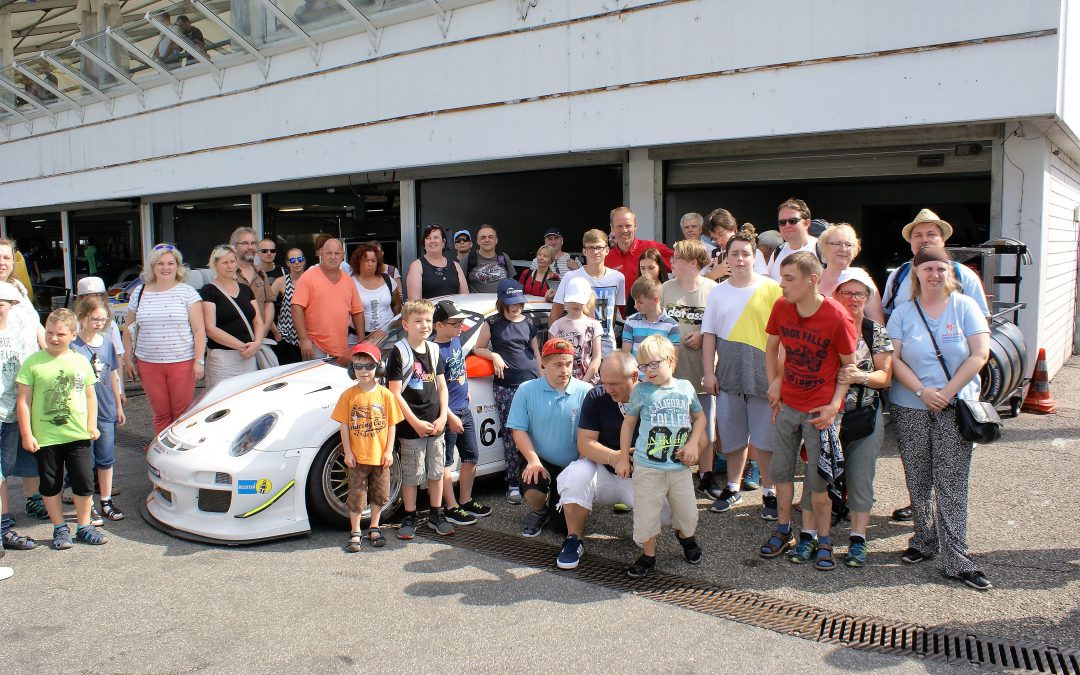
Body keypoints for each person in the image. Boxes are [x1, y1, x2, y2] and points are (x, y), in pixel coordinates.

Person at [886, 245, 991, 590]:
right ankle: (923, 539)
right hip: (911, 404)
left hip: (955, 404)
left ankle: (957, 557)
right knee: (917, 476)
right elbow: (895, 359)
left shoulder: (965, 307)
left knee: (951, 480)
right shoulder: (902, 312)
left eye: (941, 269)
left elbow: (979, 354)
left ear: (950, 273)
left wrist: (946, 392)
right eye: (927, 269)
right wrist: (921, 391)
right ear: (916, 273)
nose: (934, 275)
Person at [880, 208, 990, 523]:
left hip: (955, 392)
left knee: (949, 469)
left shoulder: (963, 277)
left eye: (931, 234)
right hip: (911, 390)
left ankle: (948, 530)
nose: (924, 239)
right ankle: (921, 515)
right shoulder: (899, 275)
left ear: (942, 239)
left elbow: (980, 338)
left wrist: (948, 390)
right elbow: (890, 323)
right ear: (911, 242)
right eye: (918, 235)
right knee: (916, 463)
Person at [758, 252, 857, 571]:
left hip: (820, 412)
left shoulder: (837, 316)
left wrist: (833, 406)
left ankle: (822, 539)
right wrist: (773, 382)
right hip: (786, 406)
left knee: (818, 482)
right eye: (781, 278)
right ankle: (784, 531)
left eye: (789, 279)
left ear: (812, 280)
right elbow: (771, 347)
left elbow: (849, 367)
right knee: (781, 473)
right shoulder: (781, 307)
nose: (781, 286)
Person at [701, 225, 783, 516]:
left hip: (765, 377)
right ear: (726, 257)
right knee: (734, 437)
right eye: (733, 253)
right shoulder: (717, 292)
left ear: (753, 257)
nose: (739, 259)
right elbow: (708, 334)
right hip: (729, 375)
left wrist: (779, 377)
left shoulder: (772, 288)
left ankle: (769, 492)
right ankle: (733, 486)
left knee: (765, 439)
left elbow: (783, 337)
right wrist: (709, 373)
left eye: (745, 253)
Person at [821, 267, 893, 567]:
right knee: (822, 476)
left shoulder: (874, 331)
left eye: (859, 294)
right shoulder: (823, 327)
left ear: (868, 297)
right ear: (835, 295)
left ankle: (858, 539)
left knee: (861, 478)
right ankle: (819, 536)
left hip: (863, 413)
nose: (853, 299)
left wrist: (859, 376)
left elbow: (885, 376)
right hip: (827, 415)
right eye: (846, 293)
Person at [16, 309, 103, 550]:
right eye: (50, 333)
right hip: (46, 437)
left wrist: (91, 425)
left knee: (84, 482)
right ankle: (59, 528)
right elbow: (24, 401)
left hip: (78, 435)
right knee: (50, 484)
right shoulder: (33, 362)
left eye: (61, 334)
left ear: (73, 335)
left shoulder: (80, 361)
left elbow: (90, 396)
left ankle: (84, 526)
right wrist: (27, 434)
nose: (54, 338)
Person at [621, 335, 706, 578]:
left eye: (654, 364)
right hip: (648, 466)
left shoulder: (685, 388)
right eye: (643, 366)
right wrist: (621, 456)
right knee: (647, 513)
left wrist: (693, 445)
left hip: (679, 468)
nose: (648, 371)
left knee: (687, 512)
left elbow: (699, 419)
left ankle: (686, 538)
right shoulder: (642, 391)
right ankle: (648, 555)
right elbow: (628, 425)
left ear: (671, 360)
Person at [555, 352, 640, 569]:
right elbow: (585, 444)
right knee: (576, 474)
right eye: (604, 382)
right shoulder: (596, 396)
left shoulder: (651, 398)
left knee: (663, 519)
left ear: (635, 377)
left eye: (614, 384)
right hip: (605, 472)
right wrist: (616, 457)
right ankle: (573, 539)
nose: (608, 389)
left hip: (641, 475)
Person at [506, 337, 592, 538]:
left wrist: (581, 464)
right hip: (542, 459)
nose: (565, 370)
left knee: (562, 529)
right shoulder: (526, 390)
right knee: (533, 485)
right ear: (543, 363)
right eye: (558, 365)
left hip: (574, 463)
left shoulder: (586, 392)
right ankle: (539, 510)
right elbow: (518, 430)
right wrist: (533, 461)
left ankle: (569, 503)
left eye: (569, 364)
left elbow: (593, 433)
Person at [384, 299, 453, 539]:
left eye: (427, 321)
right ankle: (410, 514)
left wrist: (443, 416)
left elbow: (442, 386)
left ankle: (436, 512)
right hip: (410, 425)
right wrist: (413, 422)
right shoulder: (399, 352)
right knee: (412, 473)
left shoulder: (434, 350)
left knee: (436, 471)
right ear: (405, 324)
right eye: (418, 321)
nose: (424, 325)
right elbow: (394, 393)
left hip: (435, 423)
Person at [122, 244, 205, 434]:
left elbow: (199, 330)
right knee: (160, 413)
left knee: (182, 413)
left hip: (182, 362)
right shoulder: (139, 292)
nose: (165, 268)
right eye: (160, 263)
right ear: (152, 266)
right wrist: (127, 358)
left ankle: (180, 452)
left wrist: (199, 361)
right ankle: (160, 450)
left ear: (178, 266)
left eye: (170, 263)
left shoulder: (187, 292)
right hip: (148, 363)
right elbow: (128, 330)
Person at [472, 280, 540, 504]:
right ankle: (512, 482)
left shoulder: (530, 322)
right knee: (511, 435)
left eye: (518, 303)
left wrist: (543, 379)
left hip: (531, 384)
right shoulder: (491, 322)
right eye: (510, 304)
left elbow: (537, 355)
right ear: (501, 303)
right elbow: (478, 348)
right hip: (505, 387)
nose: (515, 308)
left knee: (534, 433)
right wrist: (494, 355)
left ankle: (535, 479)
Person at [660, 239, 719, 495]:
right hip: (672, 372)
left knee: (704, 424)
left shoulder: (713, 289)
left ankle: (706, 475)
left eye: (676, 259)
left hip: (701, 371)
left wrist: (702, 335)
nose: (671, 262)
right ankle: (674, 472)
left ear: (693, 263)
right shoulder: (665, 289)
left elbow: (719, 327)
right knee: (673, 422)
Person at [331, 343, 403, 552]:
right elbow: (344, 426)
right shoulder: (348, 395)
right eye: (358, 366)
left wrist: (389, 451)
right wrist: (348, 452)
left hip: (380, 457)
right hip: (358, 457)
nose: (363, 371)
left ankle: (374, 526)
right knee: (356, 496)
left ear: (378, 368)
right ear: (351, 368)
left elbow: (391, 425)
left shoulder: (386, 395)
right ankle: (355, 531)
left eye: (369, 366)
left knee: (379, 495)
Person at [433, 300, 491, 526]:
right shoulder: (434, 351)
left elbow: (460, 370)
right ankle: (451, 506)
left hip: (464, 409)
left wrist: (464, 390)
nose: (459, 326)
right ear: (438, 325)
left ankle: (465, 500)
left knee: (471, 457)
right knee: (447, 462)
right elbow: (435, 390)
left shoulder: (456, 340)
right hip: (449, 414)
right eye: (454, 323)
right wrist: (449, 414)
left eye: (460, 322)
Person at [72, 296, 126, 523]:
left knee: (106, 458)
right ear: (82, 318)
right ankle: (88, 504)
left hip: (105, 408)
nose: (99, 324)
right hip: (82, 411)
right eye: (94, 319)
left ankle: (105, 500)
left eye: (103, 320)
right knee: (85, 460)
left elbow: (112, 375)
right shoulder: (73, 345)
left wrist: (118, 404)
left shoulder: (106, 343)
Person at [0, 282, 37, 551]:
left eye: (5, 304)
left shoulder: (19, 331)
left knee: (4, 471)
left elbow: (29, 365)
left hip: (12, 409)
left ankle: (3, 528)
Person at [550, 229, 626, 356]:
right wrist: (554, 349)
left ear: (607, 250)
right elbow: (555, 314)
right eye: (590, 248)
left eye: (599, 247)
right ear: (584, 251)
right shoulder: (570, 277)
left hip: (607, 349)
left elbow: (612, 313)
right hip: (576, 349)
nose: (595, 251)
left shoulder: (618, 278)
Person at [200, 245, 264, 390]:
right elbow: (210, 328)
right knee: (222, 399)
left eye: (232, 261)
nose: (229, 266)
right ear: (215, 264)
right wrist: (242, 347)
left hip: (248, 356)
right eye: (224, 262)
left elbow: (257, 320)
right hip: (223, 359)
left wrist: (257, 342)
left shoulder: (246, 289)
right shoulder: (209, 291)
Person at [291, 237, 364, 363]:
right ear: (321, 253)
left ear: (343, 255)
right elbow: (296, 308)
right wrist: (303, 339)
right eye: (329, 253)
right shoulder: (308, 277)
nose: (333, 257)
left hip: (342, 349)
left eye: (337, 253)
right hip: (314, 347)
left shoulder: (349, 281)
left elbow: (357, 311)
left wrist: (361, 340)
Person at [817, 223, 885, 323]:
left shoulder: (862, 279)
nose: (843, 249)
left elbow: (877, 324)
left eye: (848, 245)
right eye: (837, 244)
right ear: (824, 246)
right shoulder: (812, 278)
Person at [548, 276, 602, 384]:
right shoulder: (557, 326)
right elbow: (551, 357)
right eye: (573, 299)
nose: (576, 304)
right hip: (562, 382)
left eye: (580, 300)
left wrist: (584, 382)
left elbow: (597, 358)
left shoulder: (594, 325)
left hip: (588, 383)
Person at [606, 206, 672, 293]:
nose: (624, 230)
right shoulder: (606, 259)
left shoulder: (652, 248)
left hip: (651, 305)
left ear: (635, 226)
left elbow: (683, 267)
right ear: (612, 228)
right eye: (619, 226)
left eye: (628, 225)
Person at [229, 227, 274, 342]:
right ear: (234, 247)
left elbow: (268, 303)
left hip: (261, 338)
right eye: (245, 243)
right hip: (236, 340)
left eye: (253, 243)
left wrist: (264, 331)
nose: (250, 247)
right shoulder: (227, 275)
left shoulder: (260, 274)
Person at [349, 242, 401, 339]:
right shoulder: (350, 283)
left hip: (387, 337)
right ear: (358, 262)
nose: (370, 264)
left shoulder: (388, 280)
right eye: (366, 260)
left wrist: (395, 325)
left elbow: (397, 304)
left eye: (373, 261)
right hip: (357, 338)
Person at [621, 276, 680, 358]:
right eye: (635, 301)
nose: (635, 306)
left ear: (655, 300)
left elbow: (672, 358)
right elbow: (626, 356)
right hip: (635, 370)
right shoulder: (631, 322)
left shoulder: (672, 326)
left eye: (640, 302)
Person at [407, 225, 468, 300]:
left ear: (443, 241)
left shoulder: (456, 266)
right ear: (424, 244)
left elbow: (465, 297)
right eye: (428, 238)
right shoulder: (417, 266)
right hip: (428, 311)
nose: (432, 241)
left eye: (436, 237)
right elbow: (415, 302)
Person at [767, 198, 819, 282]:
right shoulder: (778, 251)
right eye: (782, 222)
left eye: (792, 221)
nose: (787, 225)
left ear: (806, 223)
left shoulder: (822, 249)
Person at [270, 248, 306, 365]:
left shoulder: (311, 280)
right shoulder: (281, 282)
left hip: (308, 337)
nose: (297, 262)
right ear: (288, 263)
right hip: (286, 337)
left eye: (300, 259)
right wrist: (276, 332)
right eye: (293, 260)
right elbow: (266, 307)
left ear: (304, 261)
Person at [463, 225, 516, 294]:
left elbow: (511, 283)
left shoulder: (504, 257)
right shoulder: (468, 258)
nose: (487, 240)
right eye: (483, 238)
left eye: (491, 237)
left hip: (500, 303)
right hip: (476, 303)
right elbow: (460, 285)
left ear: (496, 240)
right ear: (478, 241)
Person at [701, 208, 737, 282]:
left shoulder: (754, 253)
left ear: (733, 228)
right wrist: (712, 275)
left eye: (721, 234)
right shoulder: (710, 255)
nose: (719, 241)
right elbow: (699, 286)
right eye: (714, 238)